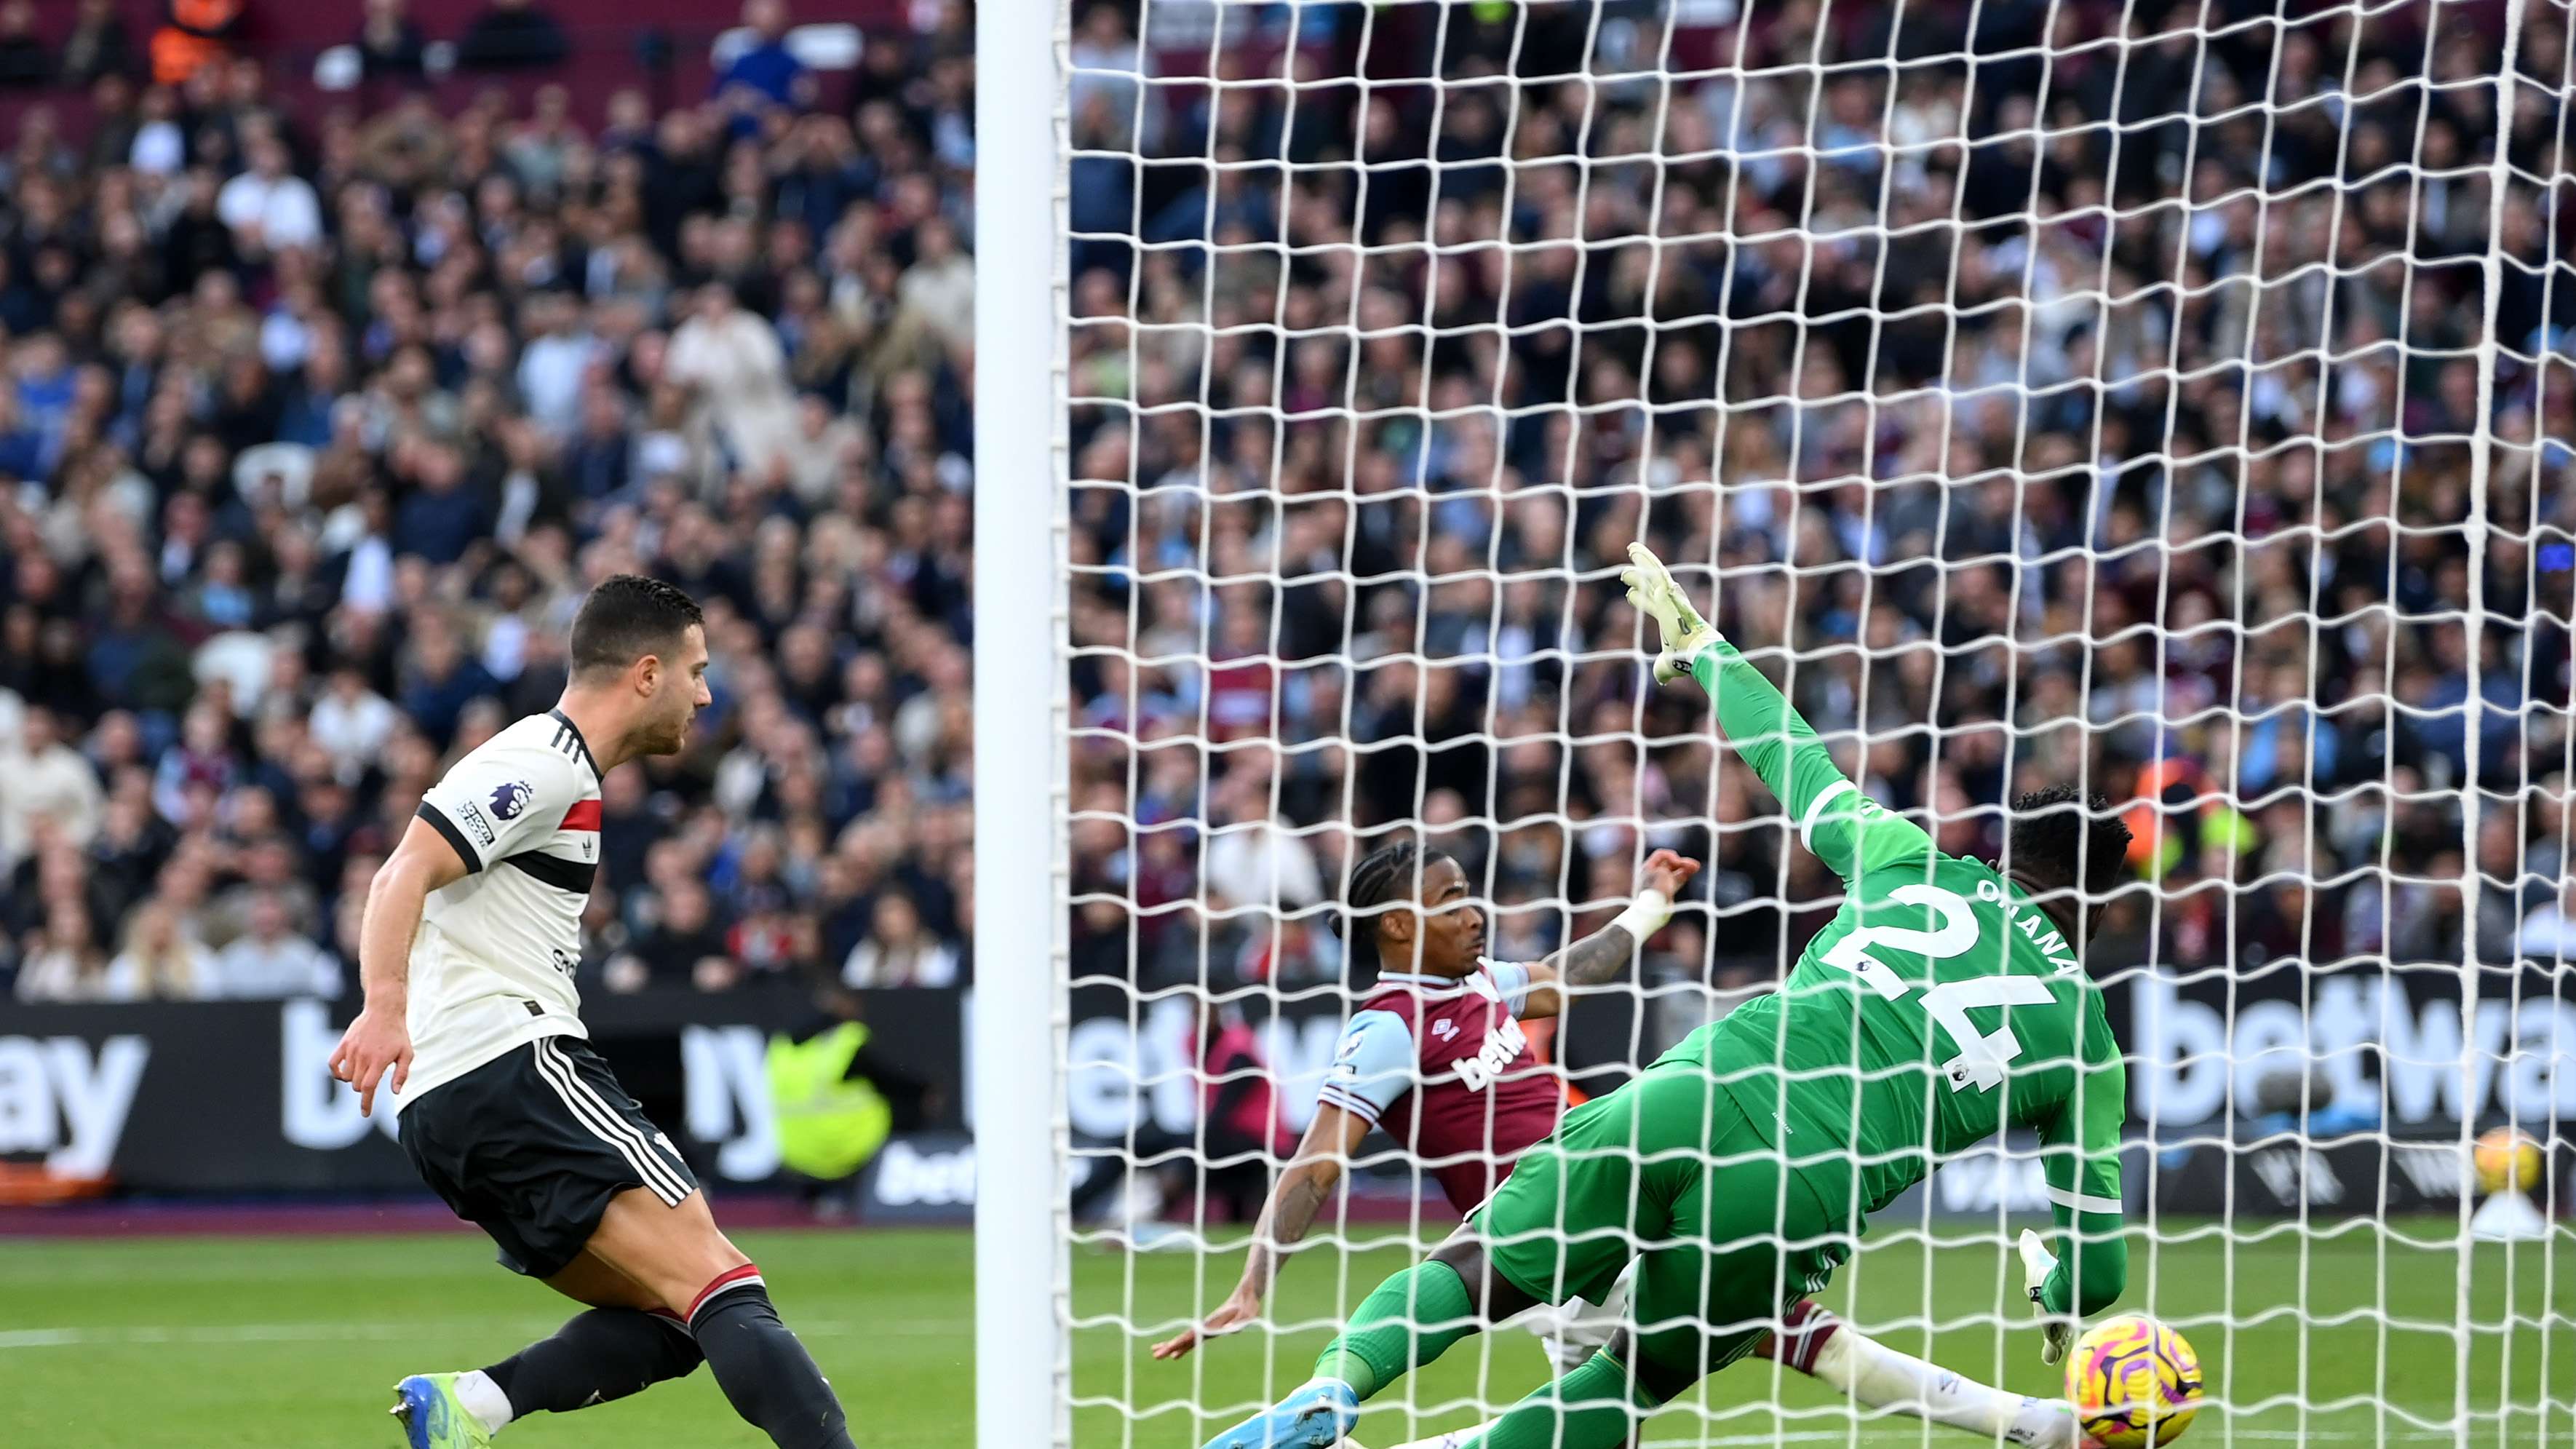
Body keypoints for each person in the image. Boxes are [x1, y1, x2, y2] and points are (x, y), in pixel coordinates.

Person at [1198, 543, 2134, 1449]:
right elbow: (2100, 1267)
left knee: (1476, 1267)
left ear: (2006, 857)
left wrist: (1708, 650)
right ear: (2100, 902)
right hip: (1803, 1184)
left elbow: (1795, 756)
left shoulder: (1910, 864)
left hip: (1698, 1083)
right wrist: (2057, 1287)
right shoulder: (2083, 1038)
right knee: (1627, 1383)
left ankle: (1336, 1381)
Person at [329, 575, 856, 1449]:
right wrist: (384, 1005)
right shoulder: (542, 760)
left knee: (674, 1313)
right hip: (512, 1064)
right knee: (724, 1281)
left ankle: (472, 1406)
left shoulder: (562, 772)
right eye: (696, 669)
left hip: (448, 1106)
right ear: (646, 673)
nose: (707, 692)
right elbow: (401, 872)